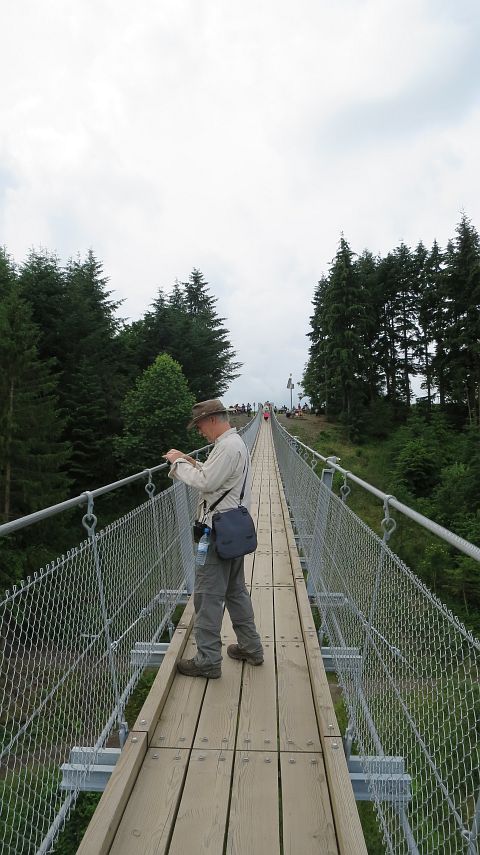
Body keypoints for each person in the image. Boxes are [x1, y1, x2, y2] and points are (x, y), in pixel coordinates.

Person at [164, 399, 264, 679]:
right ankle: (251, 647)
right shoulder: (235, 443)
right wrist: (192, 461)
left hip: (217, 533)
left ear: (211, 420)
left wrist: (177, 463)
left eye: (199, 426)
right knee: (235, 592)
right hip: (234, 530)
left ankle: (207, 660)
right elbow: (217, 476)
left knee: (207, 597)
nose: (199, 432)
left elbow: (206, 482)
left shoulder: (227, 447)